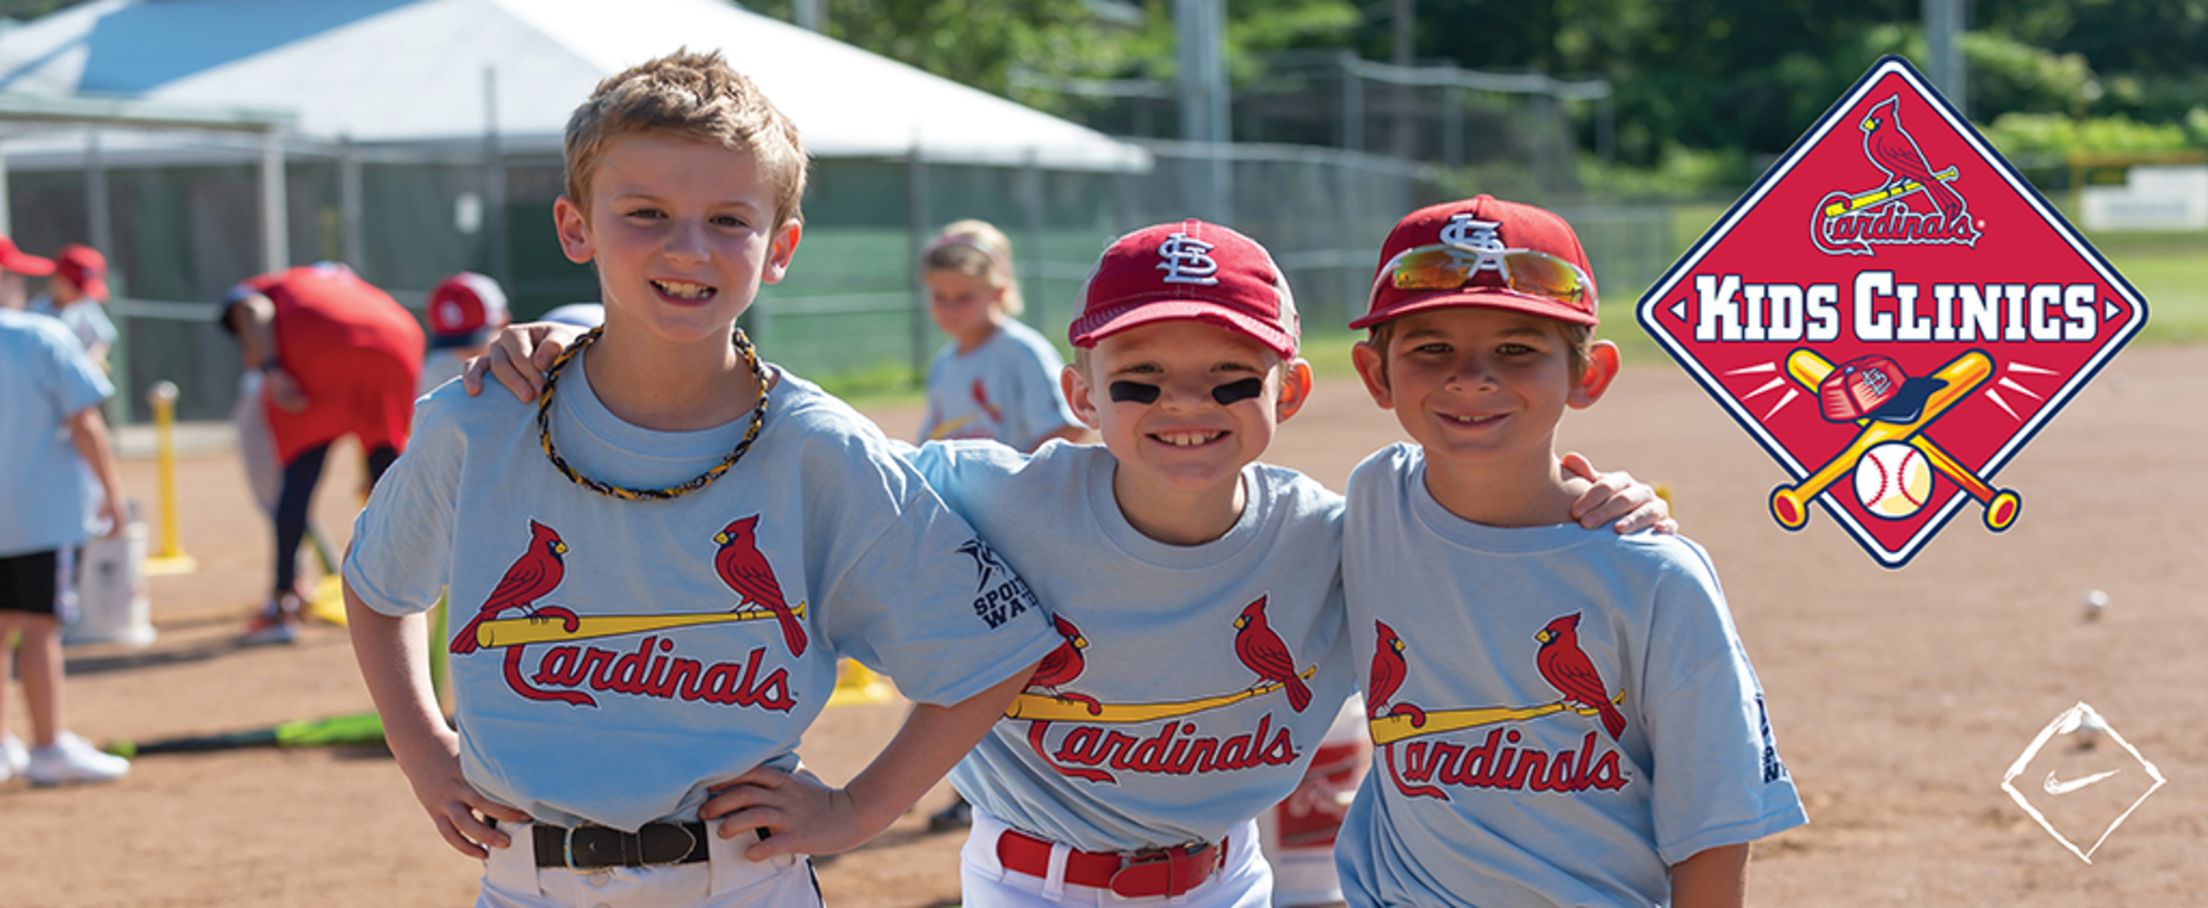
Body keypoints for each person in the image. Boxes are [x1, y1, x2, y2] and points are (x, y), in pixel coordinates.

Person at [464, 218, 1670, 906]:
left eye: (1228, 380)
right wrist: (580, 340)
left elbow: (1478, 513)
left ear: (1290, 390)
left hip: (1221, 885)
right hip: (1030, 884)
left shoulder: (1334, 528)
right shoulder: (988, 492)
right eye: (1137, 380)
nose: (1181, 408)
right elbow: (774, 434)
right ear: (1078, 392)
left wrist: (1588, 494)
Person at [342, 49, 1058, 906]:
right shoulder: (483, 418)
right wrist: (423, 748)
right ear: (577, 228)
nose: (688, 248)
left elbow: (988, 653)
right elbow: (380, 584)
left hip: (742, 884)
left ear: (780, 246)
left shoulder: (818, 448)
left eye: (728, 220)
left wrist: (858, 808)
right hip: (526, 883)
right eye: (645, 212)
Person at [1334, 196, 1807, 906]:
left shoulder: (1651, 573)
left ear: (1588, 374)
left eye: (1518, 349)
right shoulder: (1377, 502)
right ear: (1376, 375)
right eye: (1432, 348)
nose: (1472, 377)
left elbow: (1711, 827)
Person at [218, 261, 424, 644]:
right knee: (389, 482)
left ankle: (283, 604)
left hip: (319, 353)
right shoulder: (343, 285)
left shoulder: (269, 284)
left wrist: (272, 367)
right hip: (400, 340)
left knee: (298, 482)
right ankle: (409, 591)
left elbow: (251, 309)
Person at [0, 304, 132, 786]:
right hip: (41, 512)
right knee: (39, 628)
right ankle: (48, 744)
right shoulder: (40, 335)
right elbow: (85, 420)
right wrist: (112, 494)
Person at [916, 219, 1084, 453]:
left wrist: (1012, 475)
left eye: (964, 297)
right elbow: (932, 441)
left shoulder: (1022, 350)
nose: (950, 309)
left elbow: (1066, 426)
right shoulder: (943, 363)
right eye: (939, 296)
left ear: (999, 292)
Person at [28, 244, 118, 371]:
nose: (82, 295)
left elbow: (104, 336)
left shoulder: (85, 305)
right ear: (59, 280)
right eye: (77, 288)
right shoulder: (37, 311)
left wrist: (94, 358)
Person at [420, 272, 512, 395]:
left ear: (504, 322)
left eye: (473, 343)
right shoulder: (435, 371)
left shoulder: (530, 363)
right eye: (453, 344)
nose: (464, 353)